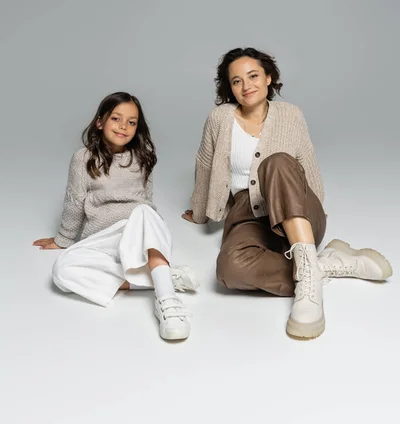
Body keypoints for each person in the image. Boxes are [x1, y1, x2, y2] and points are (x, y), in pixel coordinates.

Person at [182, 48, 392, 340]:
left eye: (253, 76)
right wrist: (201, 211)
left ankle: (308, 289)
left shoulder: (290, 115)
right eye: (237, 81)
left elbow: (308, 164)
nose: (247, 86)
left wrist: (315, 211)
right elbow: (205, 164)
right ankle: (324, 266)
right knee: (229, 270)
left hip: (298, 210)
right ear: (229, 88)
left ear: (269, 77)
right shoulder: (220, 118)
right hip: (249, 213)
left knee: (277, 162)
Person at [34, 91, 198, 341]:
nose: (124, 126)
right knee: (62, 272)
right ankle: (161, 278)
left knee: (144, 211)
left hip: (139, 231)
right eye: (116, 119)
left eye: (131, 122)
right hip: (103, 240)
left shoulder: (142, 157)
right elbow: (74, 201)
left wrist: (146, 231)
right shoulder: (83, 158)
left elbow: (147, 199)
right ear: (100, 122)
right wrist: (63, 239)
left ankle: (168, 302)